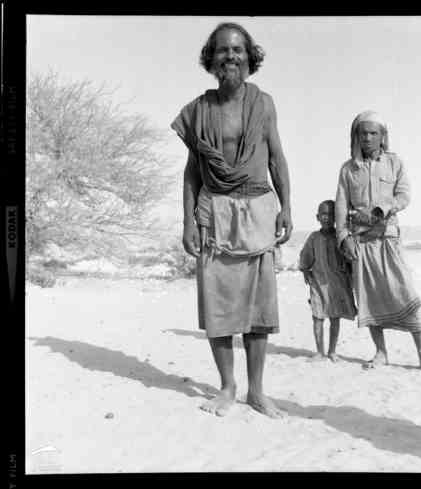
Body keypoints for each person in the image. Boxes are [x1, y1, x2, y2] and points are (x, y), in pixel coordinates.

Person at [171, 23, 293, 417]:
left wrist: (287, 207)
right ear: (211, 58)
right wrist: (188, 221)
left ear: (250, 56)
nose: (231, 56)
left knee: (258, 309)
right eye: (223, 50)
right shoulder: (198, 110)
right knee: (218, 306)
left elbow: (277, 158)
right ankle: (227, 387)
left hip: (258, 211)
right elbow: (193, 171)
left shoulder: (264, 103)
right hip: (215, 215)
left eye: (238, 49)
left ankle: (256, 391)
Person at [334, 111, 421, 375]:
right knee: (369, 298)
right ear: (356, 136)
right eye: (363, 133)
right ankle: (381, 352)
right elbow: (341, 205)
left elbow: (404, 195)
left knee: (405, 292)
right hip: (360, 243)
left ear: (383, 136)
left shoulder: (395, 163)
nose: (368, 138)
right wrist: (343, 237)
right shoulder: (348, 169)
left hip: (388, 239)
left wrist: (382, 209)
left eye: (373, 133)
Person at [299, 200, 357, 362]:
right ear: (317, 217)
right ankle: (319, 352)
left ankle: (332, 351)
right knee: (317, 317)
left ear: (337, 217)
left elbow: (350, 258)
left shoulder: (341, 237)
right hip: (318, 283)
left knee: (334, 318)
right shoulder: (314, 237)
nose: (327, 218)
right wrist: (305, 270)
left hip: (336, 285)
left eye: (331, 214)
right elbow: (305, 256)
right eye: (323, 214)